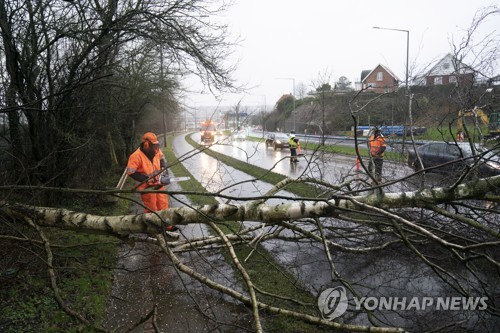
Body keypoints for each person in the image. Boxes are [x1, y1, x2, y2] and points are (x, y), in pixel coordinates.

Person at [127, 132, 178, 231]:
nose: (155, 148)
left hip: (159, 184)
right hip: (147, 187)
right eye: (153, 145)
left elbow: (161, 157)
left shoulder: (156, 151)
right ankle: (153, 228)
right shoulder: (136, 156)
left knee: (163, 205)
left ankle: (166, 225)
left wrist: (164, 168)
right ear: (146, 144)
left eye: (156, 145)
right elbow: (130, 172)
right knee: (151, 208)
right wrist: (144, 178)